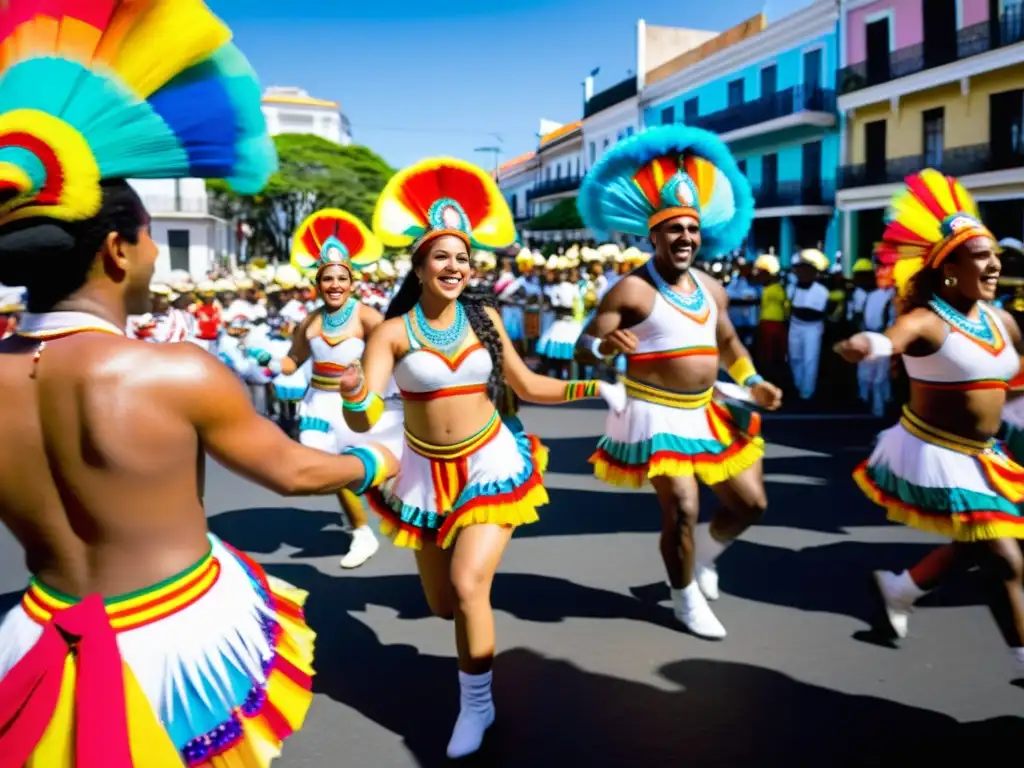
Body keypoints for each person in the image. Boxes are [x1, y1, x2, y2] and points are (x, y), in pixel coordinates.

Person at [0, 4, 397, 764]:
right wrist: (381, 459)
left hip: (37, 630)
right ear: (118, 249)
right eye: (147, 236)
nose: (153, 254)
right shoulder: (174, 372)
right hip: (173, 639)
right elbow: (296, 472)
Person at [340, 157, 625, 759]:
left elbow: (527, 386)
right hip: (422, 474)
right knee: (442, 604)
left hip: (491, 465)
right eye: (441, 256)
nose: (455, 266)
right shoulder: (389, 334)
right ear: (417, 266)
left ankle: (476, 706)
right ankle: (473, 667)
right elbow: (362, 420)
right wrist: (355, 395)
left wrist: (593, 387)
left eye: (462, 257)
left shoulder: (485, 317)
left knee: (470, 586)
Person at [575, 125, 783, 640]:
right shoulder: (631, 289)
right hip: (654, 414)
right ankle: (684, 597)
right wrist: (605, 349)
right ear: (653, 236)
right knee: (684, 507)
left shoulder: (713, 287)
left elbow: (731, 344)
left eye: (691, 229)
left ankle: (704, 559)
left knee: (750, 504)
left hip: (709, 411)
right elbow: (584, 344)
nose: (685, 238)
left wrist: (753, 380)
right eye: (674, 230)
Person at [836, 170, 1024, 675]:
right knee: (1004, 557)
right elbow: (889, 339)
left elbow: (1017, 385)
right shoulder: (928, 319)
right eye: (981, 256)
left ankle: (901, 588)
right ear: (948, 269)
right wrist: (866, 345)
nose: (995, 264)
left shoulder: (1002, 321)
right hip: (936, 450)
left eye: (994, 255)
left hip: (989, 455)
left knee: (976, 544)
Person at [280, 208, 405, 568]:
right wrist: (264, 358)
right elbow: (293, 360)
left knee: (373, 468)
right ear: (317, 284)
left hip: (356, 403)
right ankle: (361, 532)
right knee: (331, 468)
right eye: (327, 279)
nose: (334, 285)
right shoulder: (310, 321)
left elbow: (393, 348)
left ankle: (390, 503)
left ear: (353, 282)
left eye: (341, 278)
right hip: (319, 404)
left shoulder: (366, 315)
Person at [787, 249, 830, 402]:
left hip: (812, 328)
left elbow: (812, 313)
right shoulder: (791, 288)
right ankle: (799, 385)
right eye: (799, 269)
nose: (801, 273)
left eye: (805, 270)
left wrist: (796, 310)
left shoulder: (821, 291)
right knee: (795, 358)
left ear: (813, 272)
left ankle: (807, 392)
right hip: (795, 326)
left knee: (810, 359)